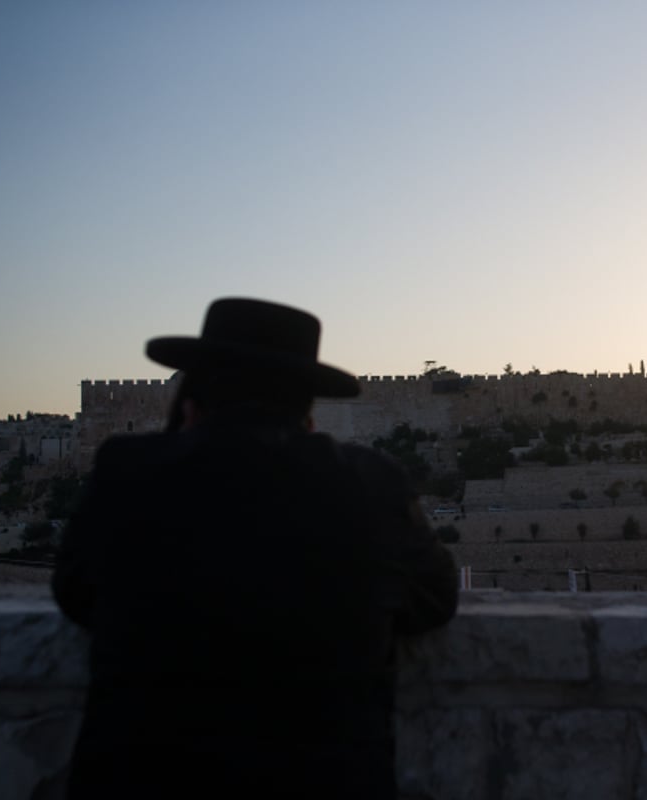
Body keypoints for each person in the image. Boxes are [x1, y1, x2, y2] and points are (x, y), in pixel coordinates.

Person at [52, 298, 459, 798]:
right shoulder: (372, 483)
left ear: (190, 404)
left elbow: (75, 590)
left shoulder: (126, 469)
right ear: (308, 415)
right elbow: (436, 599)